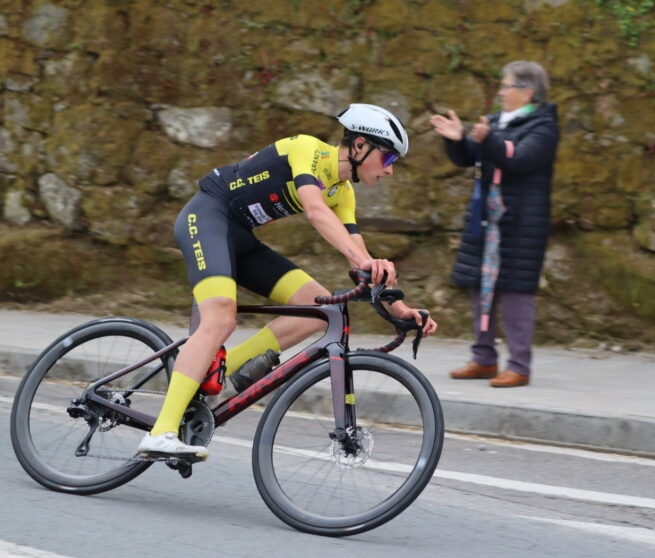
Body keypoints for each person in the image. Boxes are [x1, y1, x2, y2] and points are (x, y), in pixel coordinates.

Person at [138, 103, 438, 458]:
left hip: (241, 236)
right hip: (206, 218)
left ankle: (219, 368)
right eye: (388, 159)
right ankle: (161, 432)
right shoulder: (307, 150)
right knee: (220, 317)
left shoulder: (343, 193)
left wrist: (400, 307)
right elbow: (314, 211)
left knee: (317, 308)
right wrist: (368, 261)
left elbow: (357, 254)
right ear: (359, 146)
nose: (390, 171)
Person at [429, 61, 558, 388]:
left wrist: (487, 140)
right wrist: (458, 140)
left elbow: (518, 158)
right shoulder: (499, 122)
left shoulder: (544, 125)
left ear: (526, 92)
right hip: (486, 220)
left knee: (516, 292)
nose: (499, 91)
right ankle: (484, 359)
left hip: (520, 224)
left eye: (506, 85)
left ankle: (519, 365)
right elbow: (471, 155)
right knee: (478, 286)